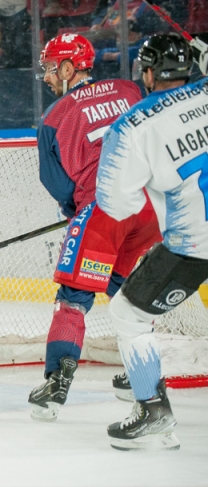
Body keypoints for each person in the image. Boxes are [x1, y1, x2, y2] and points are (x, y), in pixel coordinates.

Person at [27, 33, 159, 422]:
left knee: (74, 297)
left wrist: (78, 213)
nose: (47, 77)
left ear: (69, 68)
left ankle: (56, 381)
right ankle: (143, 380)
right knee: (127, 294)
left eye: (51, 69)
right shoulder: (130, 89)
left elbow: (60, 188)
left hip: (105, 210)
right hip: (151, 208)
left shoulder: (53, 118)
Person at [96, 33, 204, 451]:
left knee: (128, 313)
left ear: (147, 73)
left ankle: (153, 409)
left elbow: (116, 204)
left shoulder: (132, 126)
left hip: (194, 244)